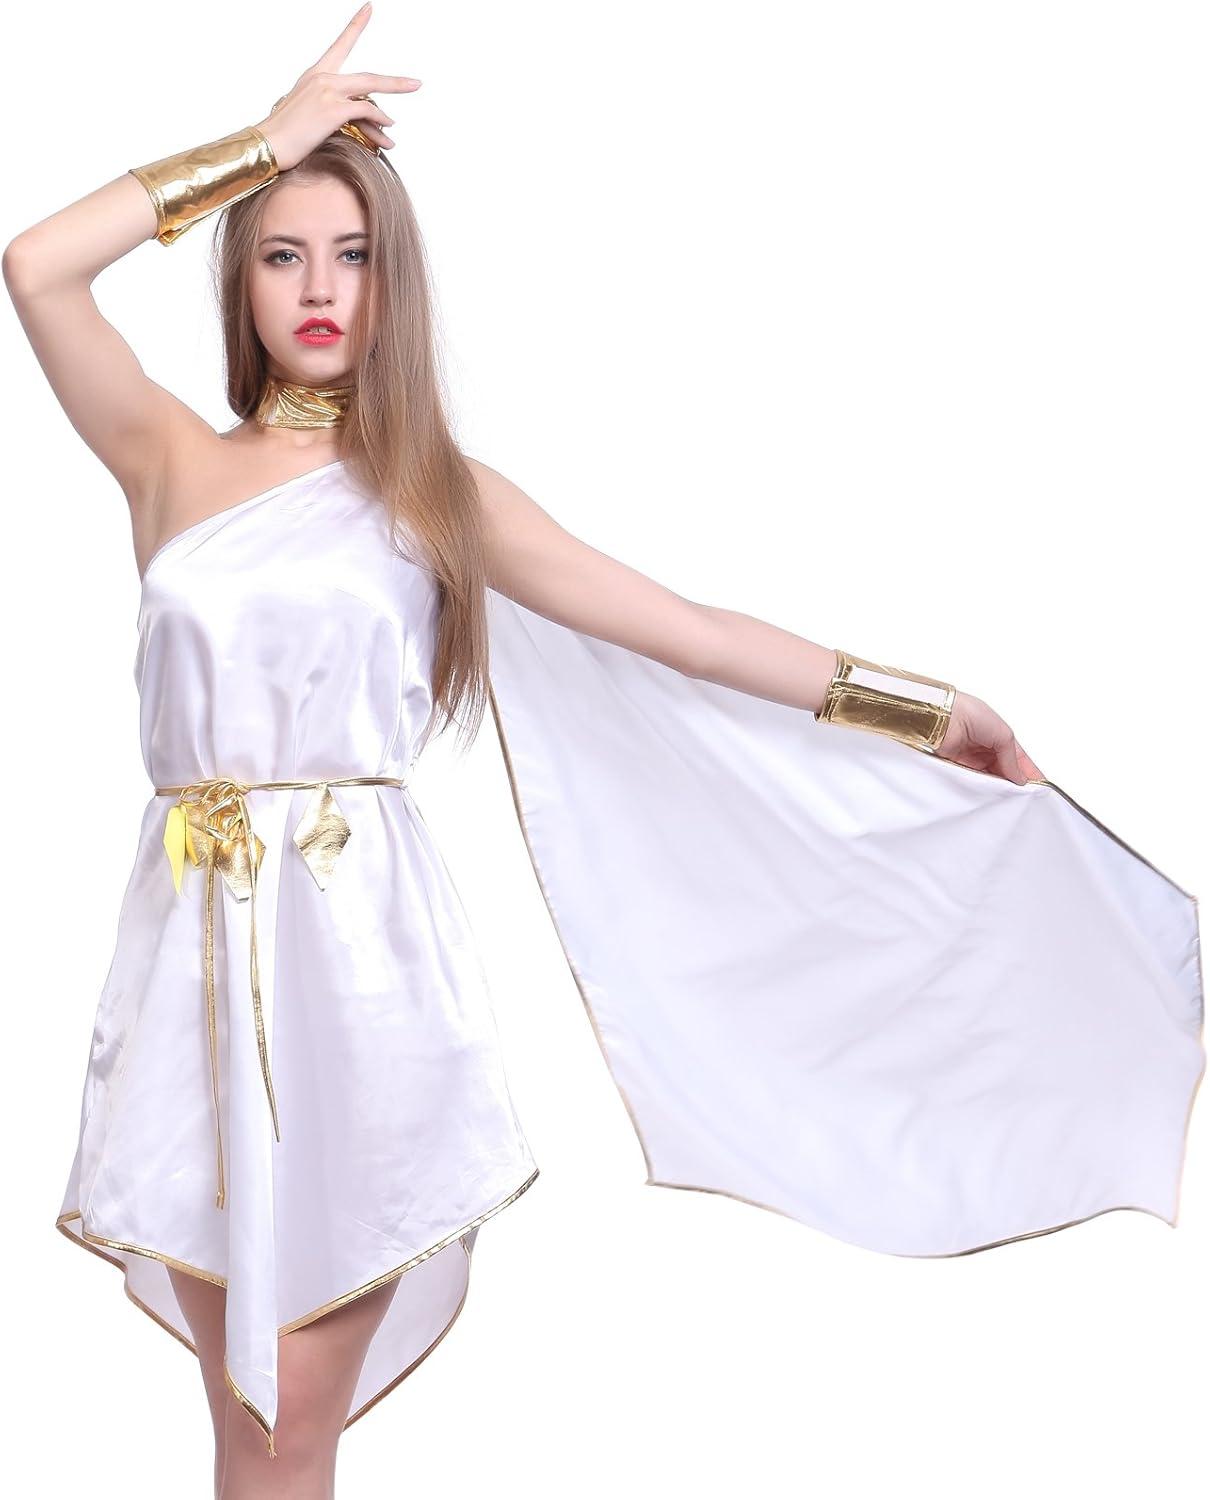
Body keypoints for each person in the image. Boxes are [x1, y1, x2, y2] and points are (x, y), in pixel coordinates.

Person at [6, 5, 1203, 1496]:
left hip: (356, 963)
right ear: (238, 276)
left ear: (393, 285)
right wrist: (266, 142)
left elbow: (684, 631)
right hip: (188, 950)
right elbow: (36, 265)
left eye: (353, 256)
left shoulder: (432, 491)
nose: (318, 289)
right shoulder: (166, 458)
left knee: (288, 1419)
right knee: (238, 1422)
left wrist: (927, 708)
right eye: (283, 253)